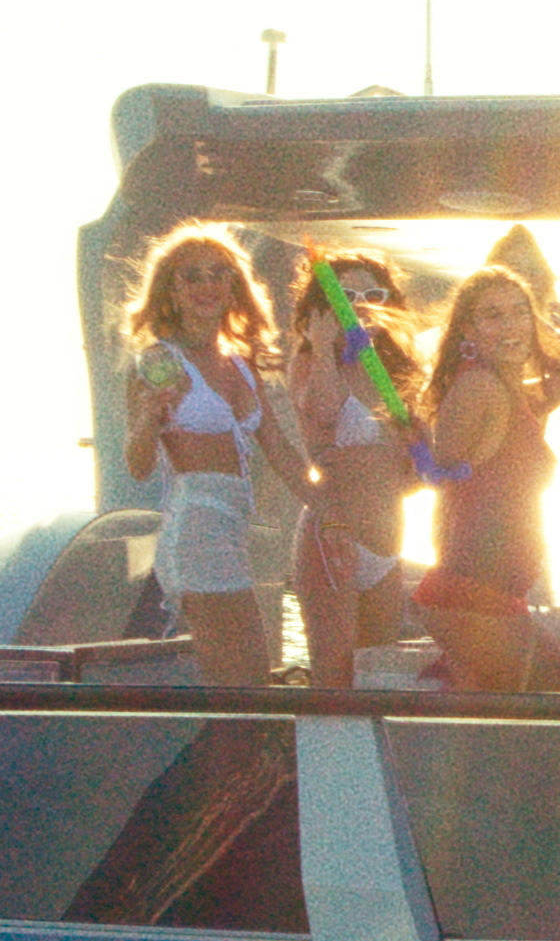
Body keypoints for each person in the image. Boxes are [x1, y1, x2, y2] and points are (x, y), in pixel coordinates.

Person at [123, 233, 306, 687]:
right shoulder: (161, 361)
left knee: (250, 679)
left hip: (231, 531)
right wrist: (148, 418)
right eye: (192, 276)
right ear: (171, 289)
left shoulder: (241, 363)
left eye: (218, 274)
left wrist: (330, 506)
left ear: (234, 284)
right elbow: (139, 466)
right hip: (196, 531)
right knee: (240, 685)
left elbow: (281, 451)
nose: (207, 286)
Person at [411, 263, 560, 693]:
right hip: (472, 594)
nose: (510, 325)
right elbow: (441, 475)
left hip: (493, 594)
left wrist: (556, 387)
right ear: (468, 330)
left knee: (537, 706)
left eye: (519, 312)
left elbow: (503, 449)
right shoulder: (479, 386)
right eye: (493, 315)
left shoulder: (508, 390)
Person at [285, 252, 426, 687]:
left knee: (375, 676)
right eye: (346, 295)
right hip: (335, 533)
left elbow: (418, 472)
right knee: (336, 677)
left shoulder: (395, 372)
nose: (361, 305)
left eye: (373, 295)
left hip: (387, 540)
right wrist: (323, 345)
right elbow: (324, 414)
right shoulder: (310, 362)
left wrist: (411, 460)